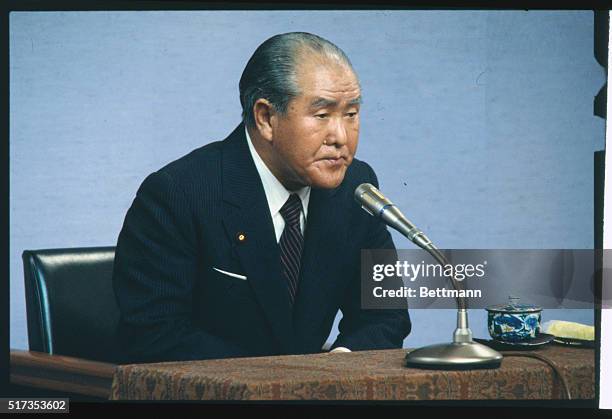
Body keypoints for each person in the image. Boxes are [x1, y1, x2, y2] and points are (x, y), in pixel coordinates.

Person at [112, 32, 411, 363]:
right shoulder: (180, 193)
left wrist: (337, 369)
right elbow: (156, 335)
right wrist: (278, 385)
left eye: (351, 114)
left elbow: (385, 315)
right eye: (323, 115)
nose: (341, 137)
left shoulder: (356, 187)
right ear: (266, 118)